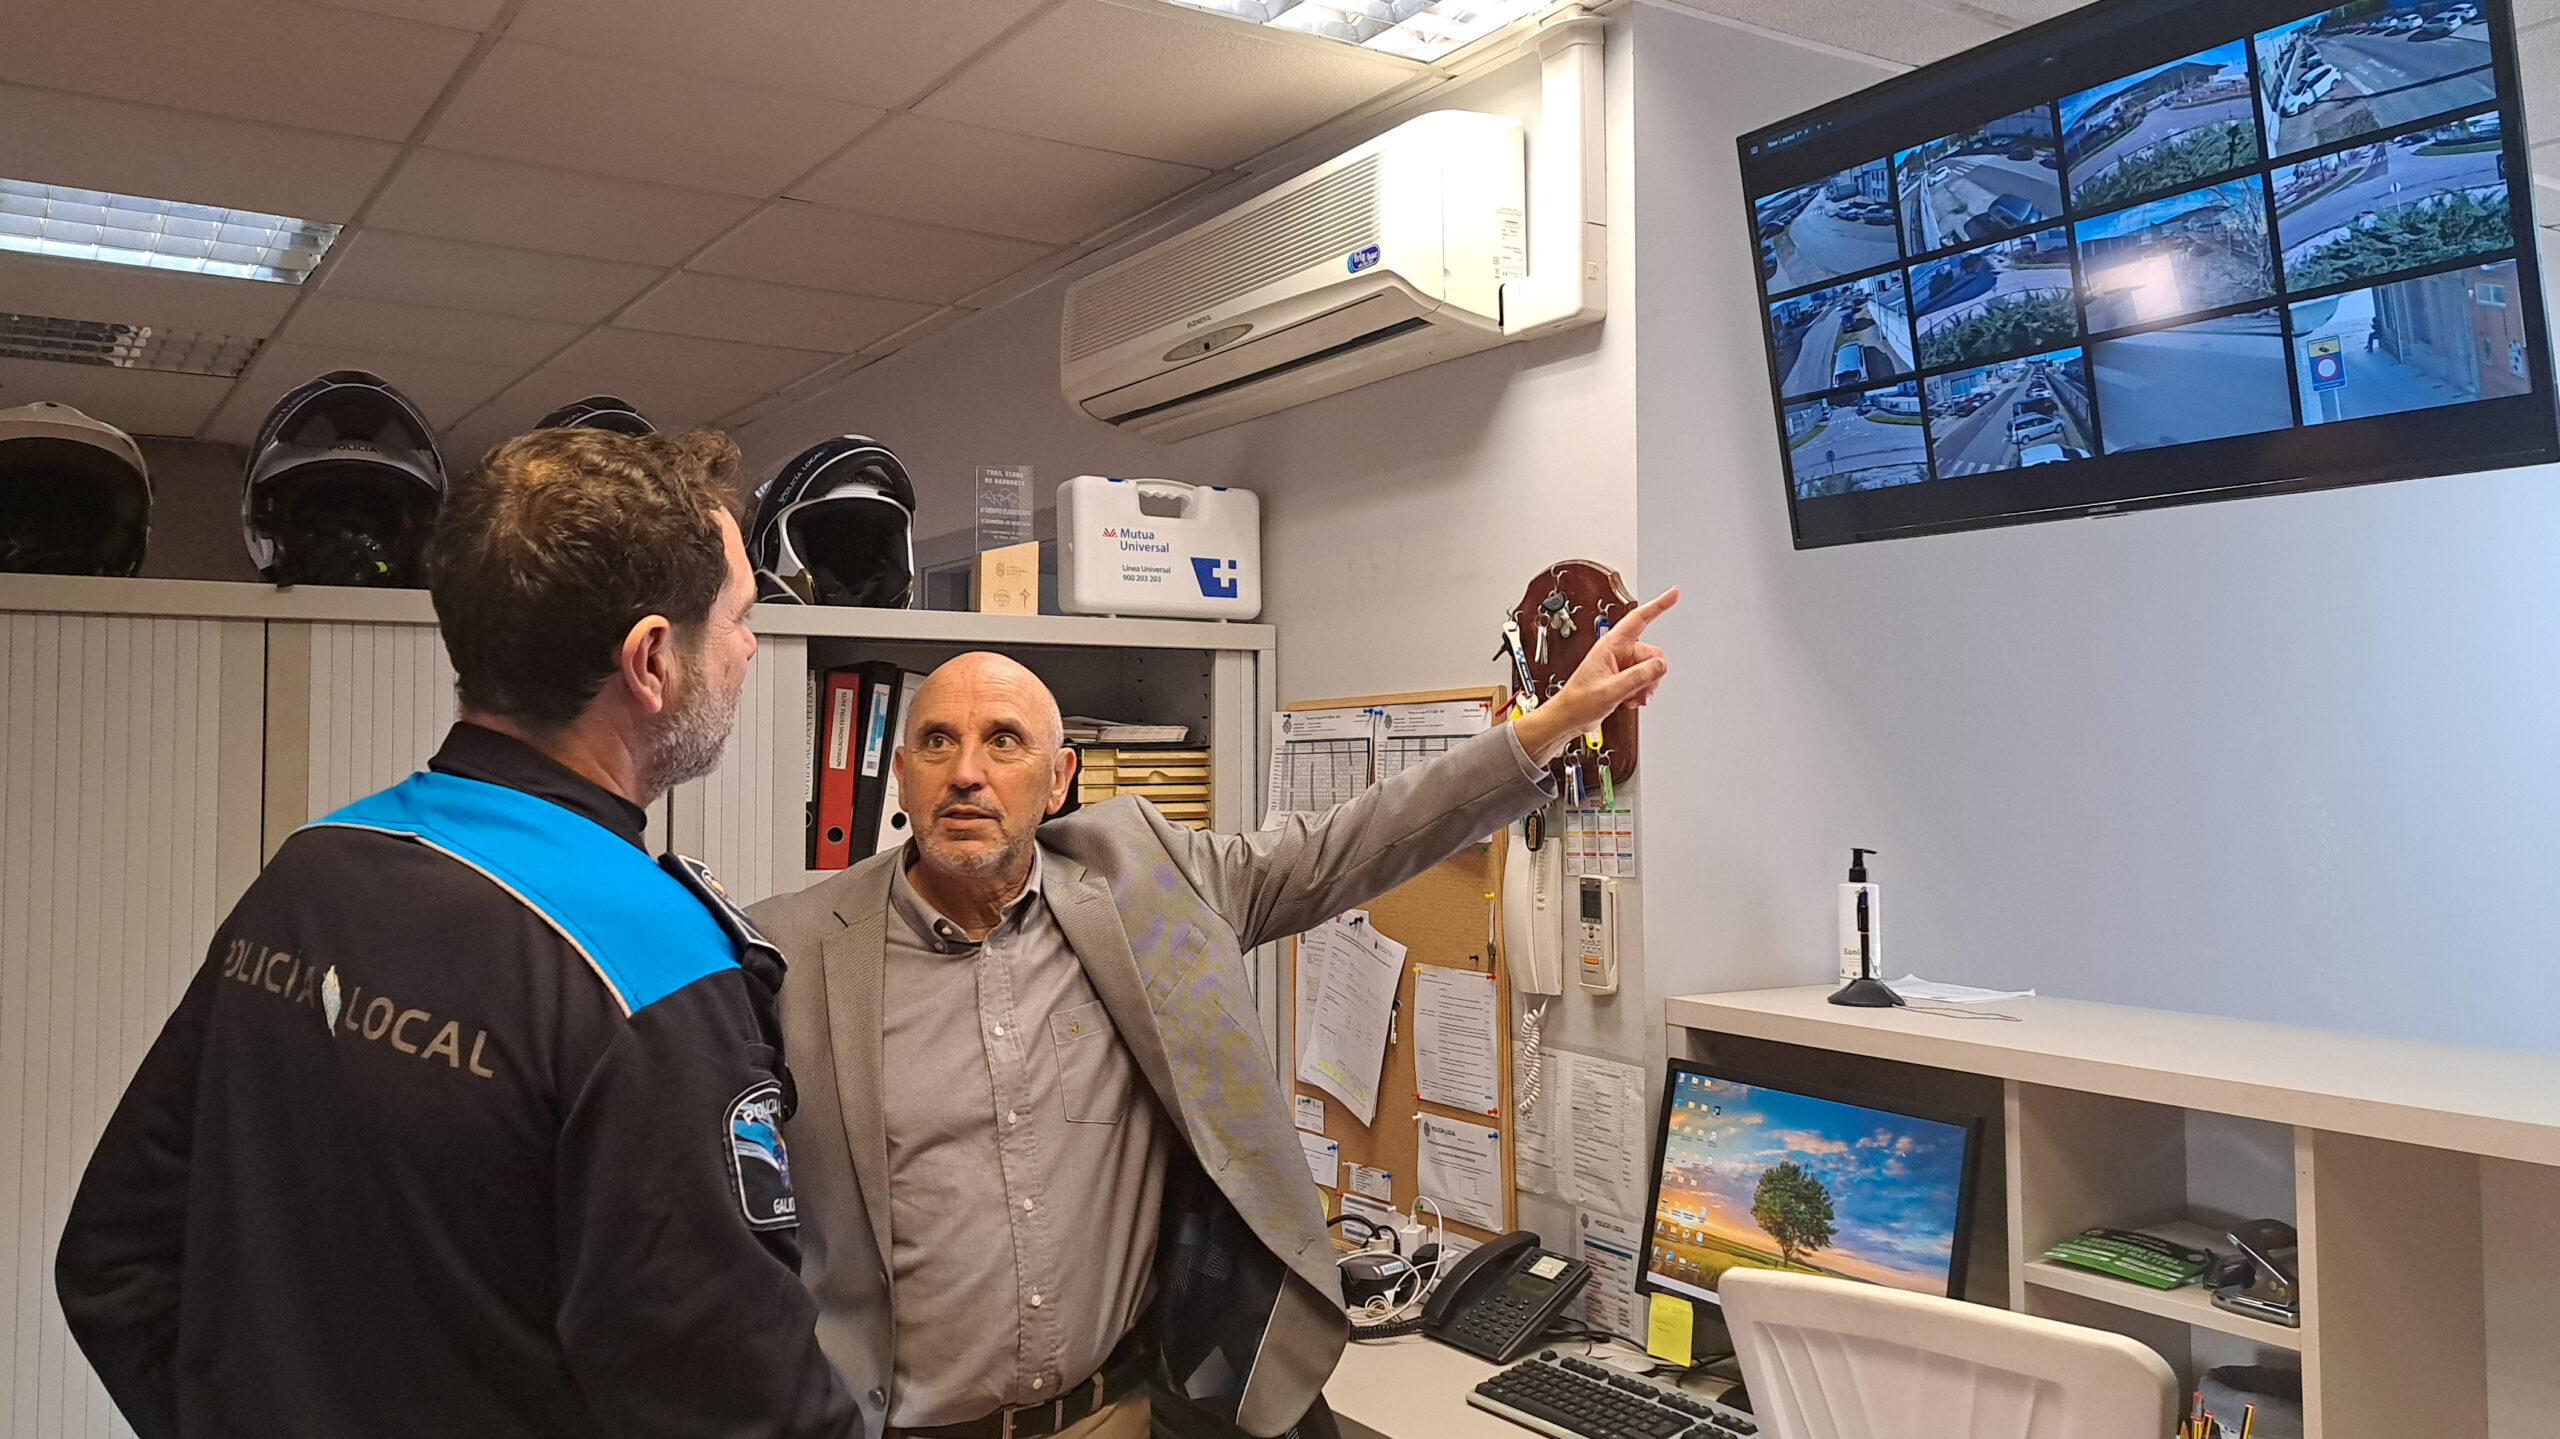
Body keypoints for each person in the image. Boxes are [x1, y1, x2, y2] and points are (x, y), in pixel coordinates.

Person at [55, 427, 859, 1439]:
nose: (747, 645)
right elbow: (746, 1410)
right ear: (651, 658)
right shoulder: (649, 970)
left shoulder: (312, 871)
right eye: (738, 617)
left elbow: (114, 1257)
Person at [750, 589, 1677, 1439]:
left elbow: (1345, 846)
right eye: (937, 742)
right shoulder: (786, 953)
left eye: (1004, 741)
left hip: (1111, 1417)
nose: (967, 772)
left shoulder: (1142, 881)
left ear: (1060, 776)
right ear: (902, 775)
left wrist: (1548, 726)